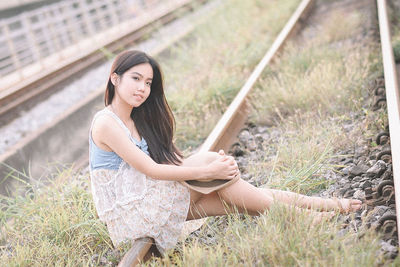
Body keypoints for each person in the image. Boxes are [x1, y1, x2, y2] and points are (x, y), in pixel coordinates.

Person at [88, 50, 362, 254]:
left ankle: (324, 207)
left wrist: (214, 170)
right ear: (115, 79)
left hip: (149, 202)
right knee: (211, 165)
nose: (143, 88)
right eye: (136, 79)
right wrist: (208, 170)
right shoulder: (106, 122)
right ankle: (314, 213)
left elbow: (168, 163)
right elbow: (151, 170)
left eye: (148, 83)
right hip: (131, 216)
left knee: (237, 198)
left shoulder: (137, 120)